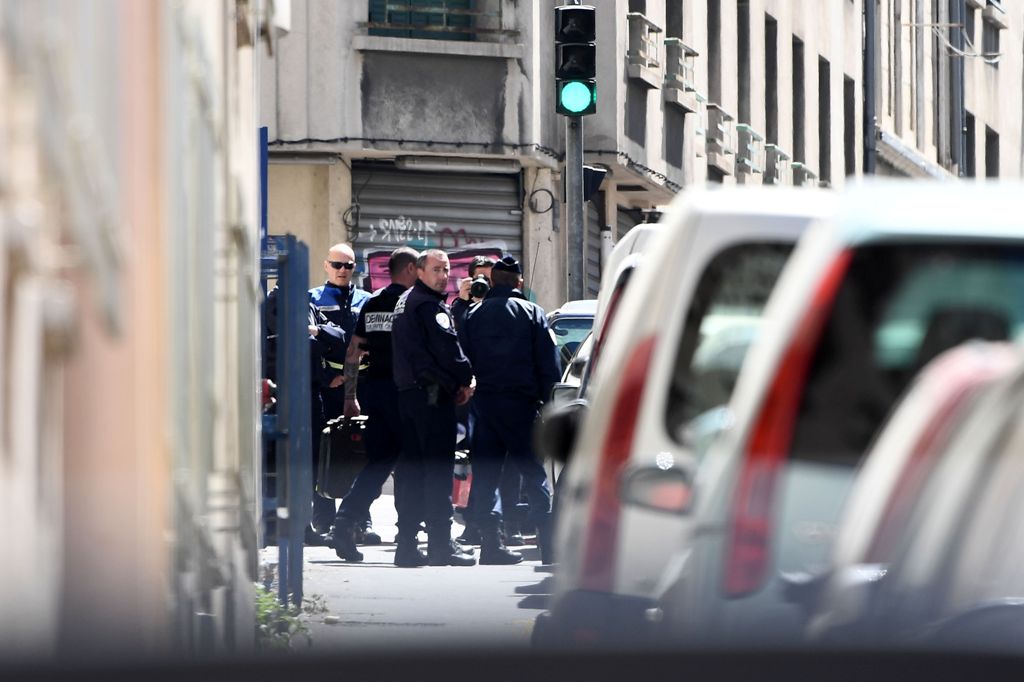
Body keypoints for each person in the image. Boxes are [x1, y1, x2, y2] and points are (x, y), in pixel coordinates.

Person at [459, 256, 561, 564]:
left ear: (492, 281)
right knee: (534, 474)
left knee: (487, 476)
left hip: (484, 407)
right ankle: (548, 548)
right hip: (521, 407)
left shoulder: (473, 314)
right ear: (519, 283)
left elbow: (463, 359)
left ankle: (491, 546)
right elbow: (548, 362)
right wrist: (549, 401)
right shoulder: (532, 313)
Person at [328, 247, 420, 564]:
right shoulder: (413, 303)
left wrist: (350, 396)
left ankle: (344, 522)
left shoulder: (373, 302)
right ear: (409, 270)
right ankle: (407, 541)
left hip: (375, 392)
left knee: (378, 463)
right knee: (409, 466)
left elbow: (353, 352)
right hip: (405, 395)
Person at [391, 248, 477, 567]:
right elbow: (449, 353)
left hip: (408, 396)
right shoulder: (429, 306)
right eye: (437, 270)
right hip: (430, 397)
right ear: (419, 271)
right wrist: (465, 379)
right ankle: (441, 544)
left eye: (447, 270)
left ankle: (407, 545)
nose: (444, 276)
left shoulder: (406, 301)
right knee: (437, 472)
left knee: (412, 473)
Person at [308, 243, 371, 535]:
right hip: (328, 387)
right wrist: (323, 378)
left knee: (361, 451)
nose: (343, 271)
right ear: (326, 266)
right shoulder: (313, 300)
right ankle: (323, 517)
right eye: (337, 265)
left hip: (362, 385)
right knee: (326, 451)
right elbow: (307, 347)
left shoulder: (366, 300)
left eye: (348, 266)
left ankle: (360, 519)